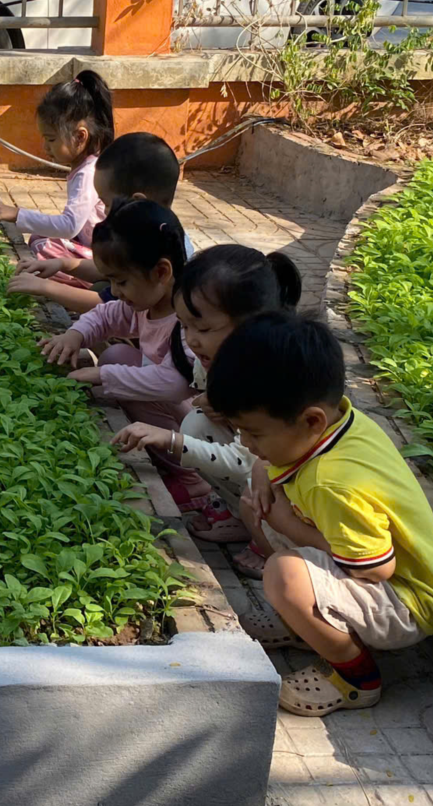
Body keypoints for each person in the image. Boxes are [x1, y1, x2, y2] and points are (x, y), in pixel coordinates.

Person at [202, 311, 433, 717]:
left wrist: (286, 524)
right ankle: (305, 624)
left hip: (407, 603)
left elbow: (376, 569)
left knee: (283, 575)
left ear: (311, 420)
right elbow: (269, 466)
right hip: (372, 573)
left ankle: (356, 677)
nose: (246, 443)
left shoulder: (332, 482)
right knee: (258, 497)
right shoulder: (339, 421)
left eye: (254, 432)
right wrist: (264, 473)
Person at [38, 200, 246, 545]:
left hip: (214, 424)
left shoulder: (189, 320)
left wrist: (104, 376)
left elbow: (175, 384)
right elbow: (106, 314)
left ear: (161, 272)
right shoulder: (148, 303)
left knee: (121, 373)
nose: (115, 291)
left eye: (120, 281)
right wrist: (75, 335)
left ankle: (192, 481)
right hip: (194, 414)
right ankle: (179, 465)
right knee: (117, 355)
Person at [111, 243, 303, 576]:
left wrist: (170, 440)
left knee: (207, 443)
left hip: (296, 490)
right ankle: (241, 516)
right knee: (197, 423)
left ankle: (275, 543)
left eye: (203, 329)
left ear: (251, 325)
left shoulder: (269, 377)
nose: (192, 340)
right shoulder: (215, 359)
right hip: (259, 469)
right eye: (184, 326)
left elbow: (245, 462)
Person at [8, 129, 183, 311]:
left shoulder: (159, 245)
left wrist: (45, 287)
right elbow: (108, 269)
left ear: (136, 202)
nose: (104, 211)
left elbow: (108, 306)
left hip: (140, 321)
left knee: (100, 290)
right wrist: (63, 264)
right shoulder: (147, 230)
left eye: (105, 203)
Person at [0, 70, 114, 277]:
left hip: (107, 261)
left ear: (80, 136)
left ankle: (73, 284)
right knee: (39, 238)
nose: (45, 147)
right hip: (91, 244)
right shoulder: (86, 166)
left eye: (51, 139)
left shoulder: (88, 173)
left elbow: (69, 226)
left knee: (43, 246)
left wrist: (18, 214)